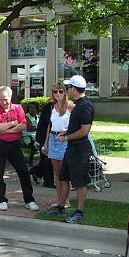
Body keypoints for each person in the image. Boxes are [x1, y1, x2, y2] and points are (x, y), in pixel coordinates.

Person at [0, 86, 38, 211]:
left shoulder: (18, 108)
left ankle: (29, 199)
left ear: (10, 97)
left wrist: (4, 130)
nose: (4, 102)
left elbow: (23, 126)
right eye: (1, 100)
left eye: (5, 99)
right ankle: (1, 199)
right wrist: (12, 124)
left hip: (14, 145)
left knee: (23, 172)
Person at [57, 75, 95, 223]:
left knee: (79, 181)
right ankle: (61, 206)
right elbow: (76, 127)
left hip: (80, 149)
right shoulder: (78, 105)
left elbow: (84, 131)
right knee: (64, 176)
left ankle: (79, 211)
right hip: (72, 148)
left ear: (74, 88)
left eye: (69, 87)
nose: (67, 90)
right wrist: (66, 133)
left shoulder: (85, 106)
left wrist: (66, 137)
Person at [45, 83, 75, 216]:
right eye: (55, 92)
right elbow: (49, 125)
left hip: (64, 140)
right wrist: (46, 143)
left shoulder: (70, 106)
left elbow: (78, 123)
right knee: (56, 174)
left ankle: (66, 201)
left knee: (64, 174)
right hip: (53, 139)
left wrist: (67, 134)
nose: (58, 94)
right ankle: (59, 200)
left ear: (65, 93)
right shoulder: (52, 106)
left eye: (60, 91)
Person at [29, 101, 55, 188]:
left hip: (48, 136)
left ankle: (36, 171)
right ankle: (48, 181)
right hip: (45, 137)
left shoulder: (57, 106)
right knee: (47, 159)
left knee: (48, 159)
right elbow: (50, 122)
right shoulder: (50, 107)